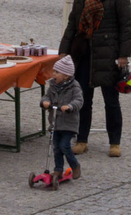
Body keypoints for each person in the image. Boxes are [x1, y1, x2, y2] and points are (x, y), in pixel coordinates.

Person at [58, 0, 131, 158]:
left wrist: (123, 55)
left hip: (108, 55)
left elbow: (126, 28)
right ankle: (82, 140)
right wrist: (64, 50)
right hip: (84, 54)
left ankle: (115, 142)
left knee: (111, 101)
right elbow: (73, 23)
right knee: (83, 99)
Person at [40, 55, 84, 186]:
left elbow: (79, 100)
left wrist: (70, 106)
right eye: (54, 71)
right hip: (55, 123)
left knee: (64, 145)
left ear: (66, 76)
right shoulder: (53, 86)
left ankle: (75, 165)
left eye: (57, 72)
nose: (54, 74)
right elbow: (46, 96)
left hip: (69, 123)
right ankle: (58, 169)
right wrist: (45, 102)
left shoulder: (74, 87)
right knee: (56, 147)